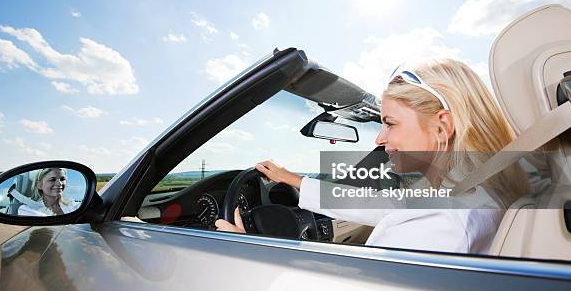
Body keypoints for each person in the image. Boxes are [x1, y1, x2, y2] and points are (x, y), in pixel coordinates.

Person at [215, 58, 530, 254]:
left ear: (442, 125)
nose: (380, 139)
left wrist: (252, 251)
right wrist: (294, 180)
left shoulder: (440, 224)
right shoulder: (474, 192)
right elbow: (386, 206)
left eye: (390, 123)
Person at [16, 168, 81, 216]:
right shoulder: (27, 209)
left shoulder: (73, 205)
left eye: (62, 179)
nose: (59, 183)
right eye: (52, 179)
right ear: (39, 185)